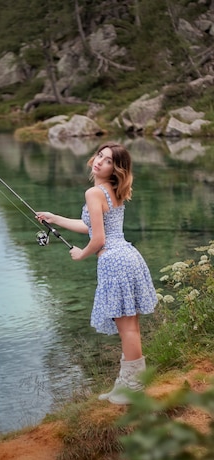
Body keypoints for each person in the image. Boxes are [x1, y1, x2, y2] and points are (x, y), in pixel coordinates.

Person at [36, 141, 158, 405]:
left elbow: (98, 239)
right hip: (128, 257)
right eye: (100, 155)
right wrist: (55, 218)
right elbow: (90, 226)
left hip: (114, 262)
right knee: (131, 328)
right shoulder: (112, 190)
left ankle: (133, 389)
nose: (100, 161)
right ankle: (128, 385)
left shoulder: (94, 192)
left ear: (116, 169)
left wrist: (81, 254)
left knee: (127, 330)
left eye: (108, 160)